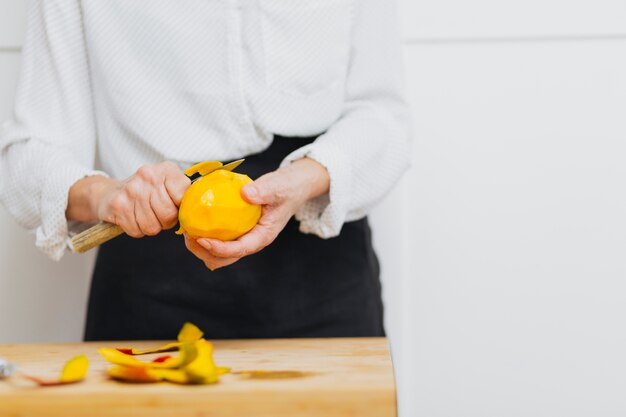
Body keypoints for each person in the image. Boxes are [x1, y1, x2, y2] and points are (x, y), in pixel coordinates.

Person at [0, 0, 410, 341]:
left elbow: (383, 115)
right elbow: (30, 155)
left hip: (324, 278)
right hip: (149, 289)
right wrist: (108, 196)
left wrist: (305, 177)